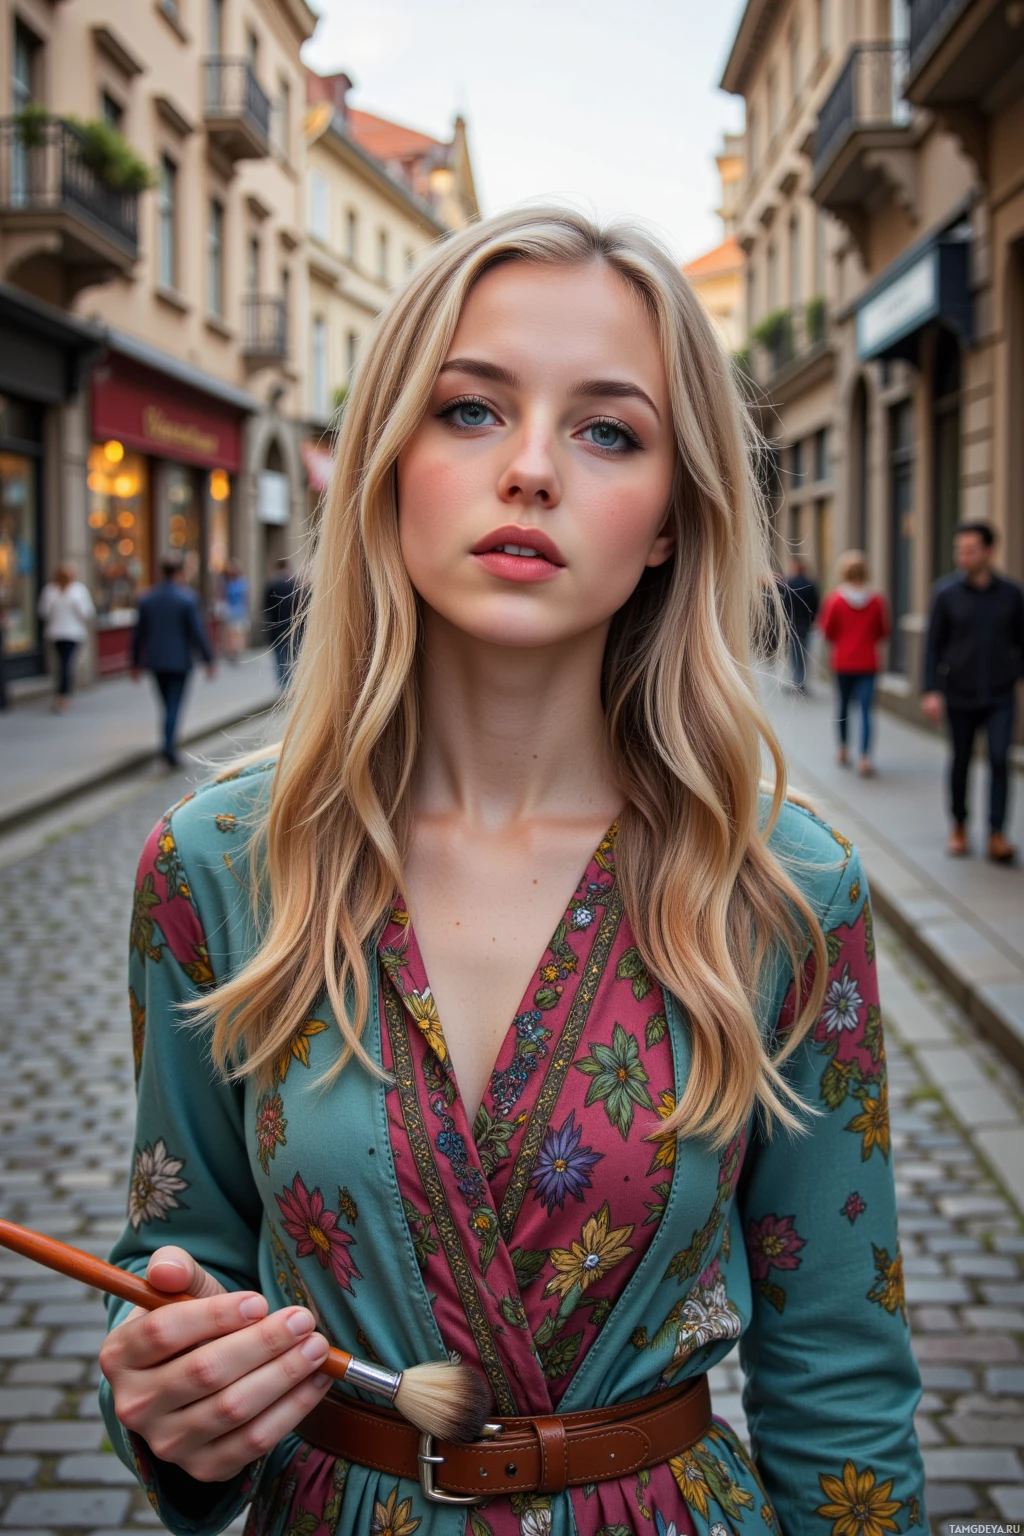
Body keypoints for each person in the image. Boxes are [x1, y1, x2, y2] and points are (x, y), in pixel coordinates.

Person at [98, 209, 925, 1536]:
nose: (532, 468)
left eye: (609, 431)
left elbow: (839, 1369)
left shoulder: (781, 886)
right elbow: (168, 1251)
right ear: (386, 464)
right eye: (471, 410)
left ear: (667, 521)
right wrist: (172, 1400)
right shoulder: (218, 864)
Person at [922, 521, 1024, 863]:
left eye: (970, 550)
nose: (962, 556)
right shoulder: (946, 593)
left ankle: (996, 834)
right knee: (961, 761)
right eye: (959, 550)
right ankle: (960, 826)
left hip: (1000, 694)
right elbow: (933, 646)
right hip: (960, 693)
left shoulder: (1011, 594)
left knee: (998, 759)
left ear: (989, 552)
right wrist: (931, 690)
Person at [132, 553, 215, 768]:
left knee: (166, 704)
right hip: (179, 661)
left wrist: (134, 663)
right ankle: (168, 748)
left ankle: (168, 743)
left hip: (156, 661)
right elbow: (197, 632)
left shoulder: (147, 598)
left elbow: (138, 634)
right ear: (180, 573)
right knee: (173, 705)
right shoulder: (187, 598)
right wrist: (208, 659)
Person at [819, 550, 891, 777]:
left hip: (842, 661)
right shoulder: (877, 600)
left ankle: (842, 748)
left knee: (842, 707)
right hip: (868, 662)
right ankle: (865, 757)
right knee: (866, 710)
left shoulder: (835, 600)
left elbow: (827, 631)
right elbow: (883, 631)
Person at [37, 563, 95, 712]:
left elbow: (44, 612)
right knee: (65, 663)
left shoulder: (65, 591)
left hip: (65, 633)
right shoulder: (57, 591)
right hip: (64, 633)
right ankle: (64, 694)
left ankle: (63, 692)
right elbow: (87, 613)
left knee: (64, 663)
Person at [781, 555, 819, 693]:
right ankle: (801, 681)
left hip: (792, 624)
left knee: (794, 654)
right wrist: (812, 620)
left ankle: (796, 682)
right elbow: (815, 605)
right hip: (805, 625)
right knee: (803, 653)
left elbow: (784, 606)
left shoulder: (789, 584)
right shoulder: (810, 584)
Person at [262, 557, 302, 688]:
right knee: (292, 654)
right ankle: (292, 681)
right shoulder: (294, 584)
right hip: (291, 624)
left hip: (275, 625)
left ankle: (283, 684)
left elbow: (265, 607)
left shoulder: (272, 584)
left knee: (279, 656)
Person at [221, 559, 251, 664]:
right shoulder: (242, 583)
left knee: (231, 633)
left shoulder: (228, 584)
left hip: (231, 610)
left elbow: (224, 597)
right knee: (238, 633)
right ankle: (236, 651)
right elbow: (245, 598)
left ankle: (233, 651)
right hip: (239, 610)